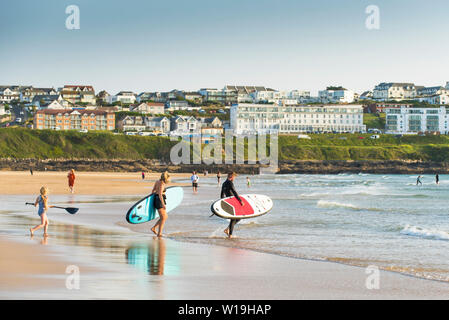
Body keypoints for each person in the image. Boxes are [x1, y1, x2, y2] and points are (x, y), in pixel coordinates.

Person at [221, 172, 244, 238]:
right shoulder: (230, 183)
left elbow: (222, 195)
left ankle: (228, 230)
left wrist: (223, 203)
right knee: (234, 218)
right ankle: (230, 235)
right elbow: (234, 192)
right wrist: (240, 200)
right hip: (233, 202)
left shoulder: (223, 184)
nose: (234, 178)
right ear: (231, 176)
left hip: (228, 202)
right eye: (234, 177)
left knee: (237, 218)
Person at [151, 171, 170, 237]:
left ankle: (154, 228)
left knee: (165, 217)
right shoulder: (162, 184)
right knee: (163, 217)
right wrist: (163, 204)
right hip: (159, 200)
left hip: (157, 200)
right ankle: (159, 233)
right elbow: (160, 194)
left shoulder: (157, 182)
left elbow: (153, 191)